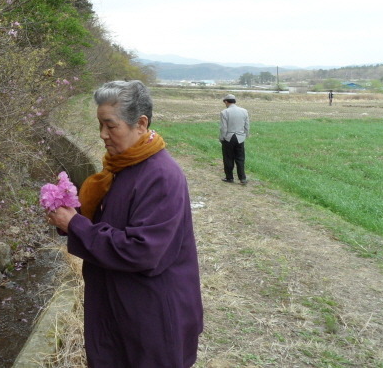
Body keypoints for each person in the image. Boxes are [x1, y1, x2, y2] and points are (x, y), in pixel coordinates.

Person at [47, 80, 203, 368]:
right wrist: (70, 212)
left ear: (141, 124)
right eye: (100, 125)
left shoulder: (161, 176)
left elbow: (142, 251)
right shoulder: (120, 168)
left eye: (110, 125)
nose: (103, 135)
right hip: (119, 307)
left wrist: (77, 226)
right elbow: (111, 223)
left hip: (151, 316)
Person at [219, 94, 250, 184]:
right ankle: (242, 178)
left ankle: (229, 177)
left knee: (228, 158)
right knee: (240, 158)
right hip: (240, 138)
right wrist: (245, 135)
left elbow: (223, 128)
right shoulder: (244, 111)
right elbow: (247, 125)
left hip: (229, 137)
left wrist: (222, 138)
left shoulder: (224, 112)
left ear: (226, 101)